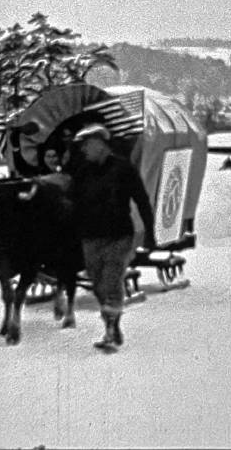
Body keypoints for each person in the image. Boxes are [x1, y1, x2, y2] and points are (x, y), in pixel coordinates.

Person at [70, 123, 156, 350]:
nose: (84, 151)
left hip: (118, 235)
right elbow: (73, 202)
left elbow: (142, 201)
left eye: (87, 145)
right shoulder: (83, 172)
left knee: (111, 278)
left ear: (99, 144)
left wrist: (150, 233)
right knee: (97, 284)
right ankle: (112, 323)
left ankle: (109, 330)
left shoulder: (123, 169)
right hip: (91, 236)